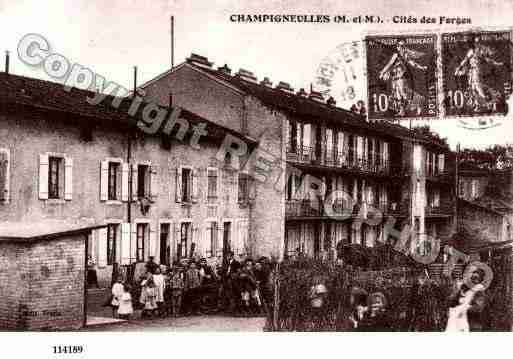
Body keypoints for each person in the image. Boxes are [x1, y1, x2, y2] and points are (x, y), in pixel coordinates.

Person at [378, 39, 428, 116]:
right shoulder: (396, 55)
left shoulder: (404, 55)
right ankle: (402, 111)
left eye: (403, 46)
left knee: (403, 93)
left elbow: (413, 63)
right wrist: (383, 72)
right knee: (397, 95)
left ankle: (419, 102)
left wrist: (421, 67)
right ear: (397, 46)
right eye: (399, 45)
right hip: (394, 77)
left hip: (400, 77)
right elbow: (389, 64)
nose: (401, 47)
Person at [446, 268, 488, 332]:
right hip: (458, 323)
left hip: (473, 324)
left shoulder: (479, 290)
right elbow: (452, 301)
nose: (472, 280)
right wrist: (457, 289)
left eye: (476, 278)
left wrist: (464, 308)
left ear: (480, 279)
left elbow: (478, 308)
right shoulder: (464, 288)